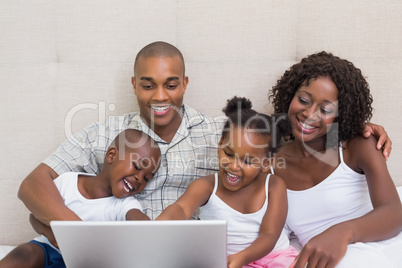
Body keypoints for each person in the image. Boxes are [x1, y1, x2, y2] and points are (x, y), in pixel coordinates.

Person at [18, 41, 392, 240]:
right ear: (134, 85)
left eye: (171, 84)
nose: (160, 96)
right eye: (147, 85)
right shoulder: (102, 132)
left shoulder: (219, 134)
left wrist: (353, 124)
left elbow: (286, 134)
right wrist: (75, 233)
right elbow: (33, 186)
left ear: (186, 84)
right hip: (110, 247)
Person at [268, 51, 402, 268]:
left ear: (341, 115)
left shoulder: (358, 145)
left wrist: (342, 232)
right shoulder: (271, 165)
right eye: (303, 100)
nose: (310, 114)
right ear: (289, 95)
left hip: (378, 246)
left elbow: (394, 214)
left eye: (326, 109)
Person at [157, 96, 299, 268]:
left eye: (247, 161)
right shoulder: (207, 186)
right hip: (228, 262)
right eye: (229, 154)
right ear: (220, 145)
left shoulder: (274, 185)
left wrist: (243, 257)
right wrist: (162, 225)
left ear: (266, 163)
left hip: (273, 258)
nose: (233, 166)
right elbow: (181, 208)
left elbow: (269, 235)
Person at [0, 129, 161, 268]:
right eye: (137, 167)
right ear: (111, 155)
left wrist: (145, 226)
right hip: (49, 251)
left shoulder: (125, 203)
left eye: (147, 178)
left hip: (87, 263)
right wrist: (52, 236)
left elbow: (137, 218)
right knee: (26, 252)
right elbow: (34, 217)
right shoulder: (68, 181)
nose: (140, 179)